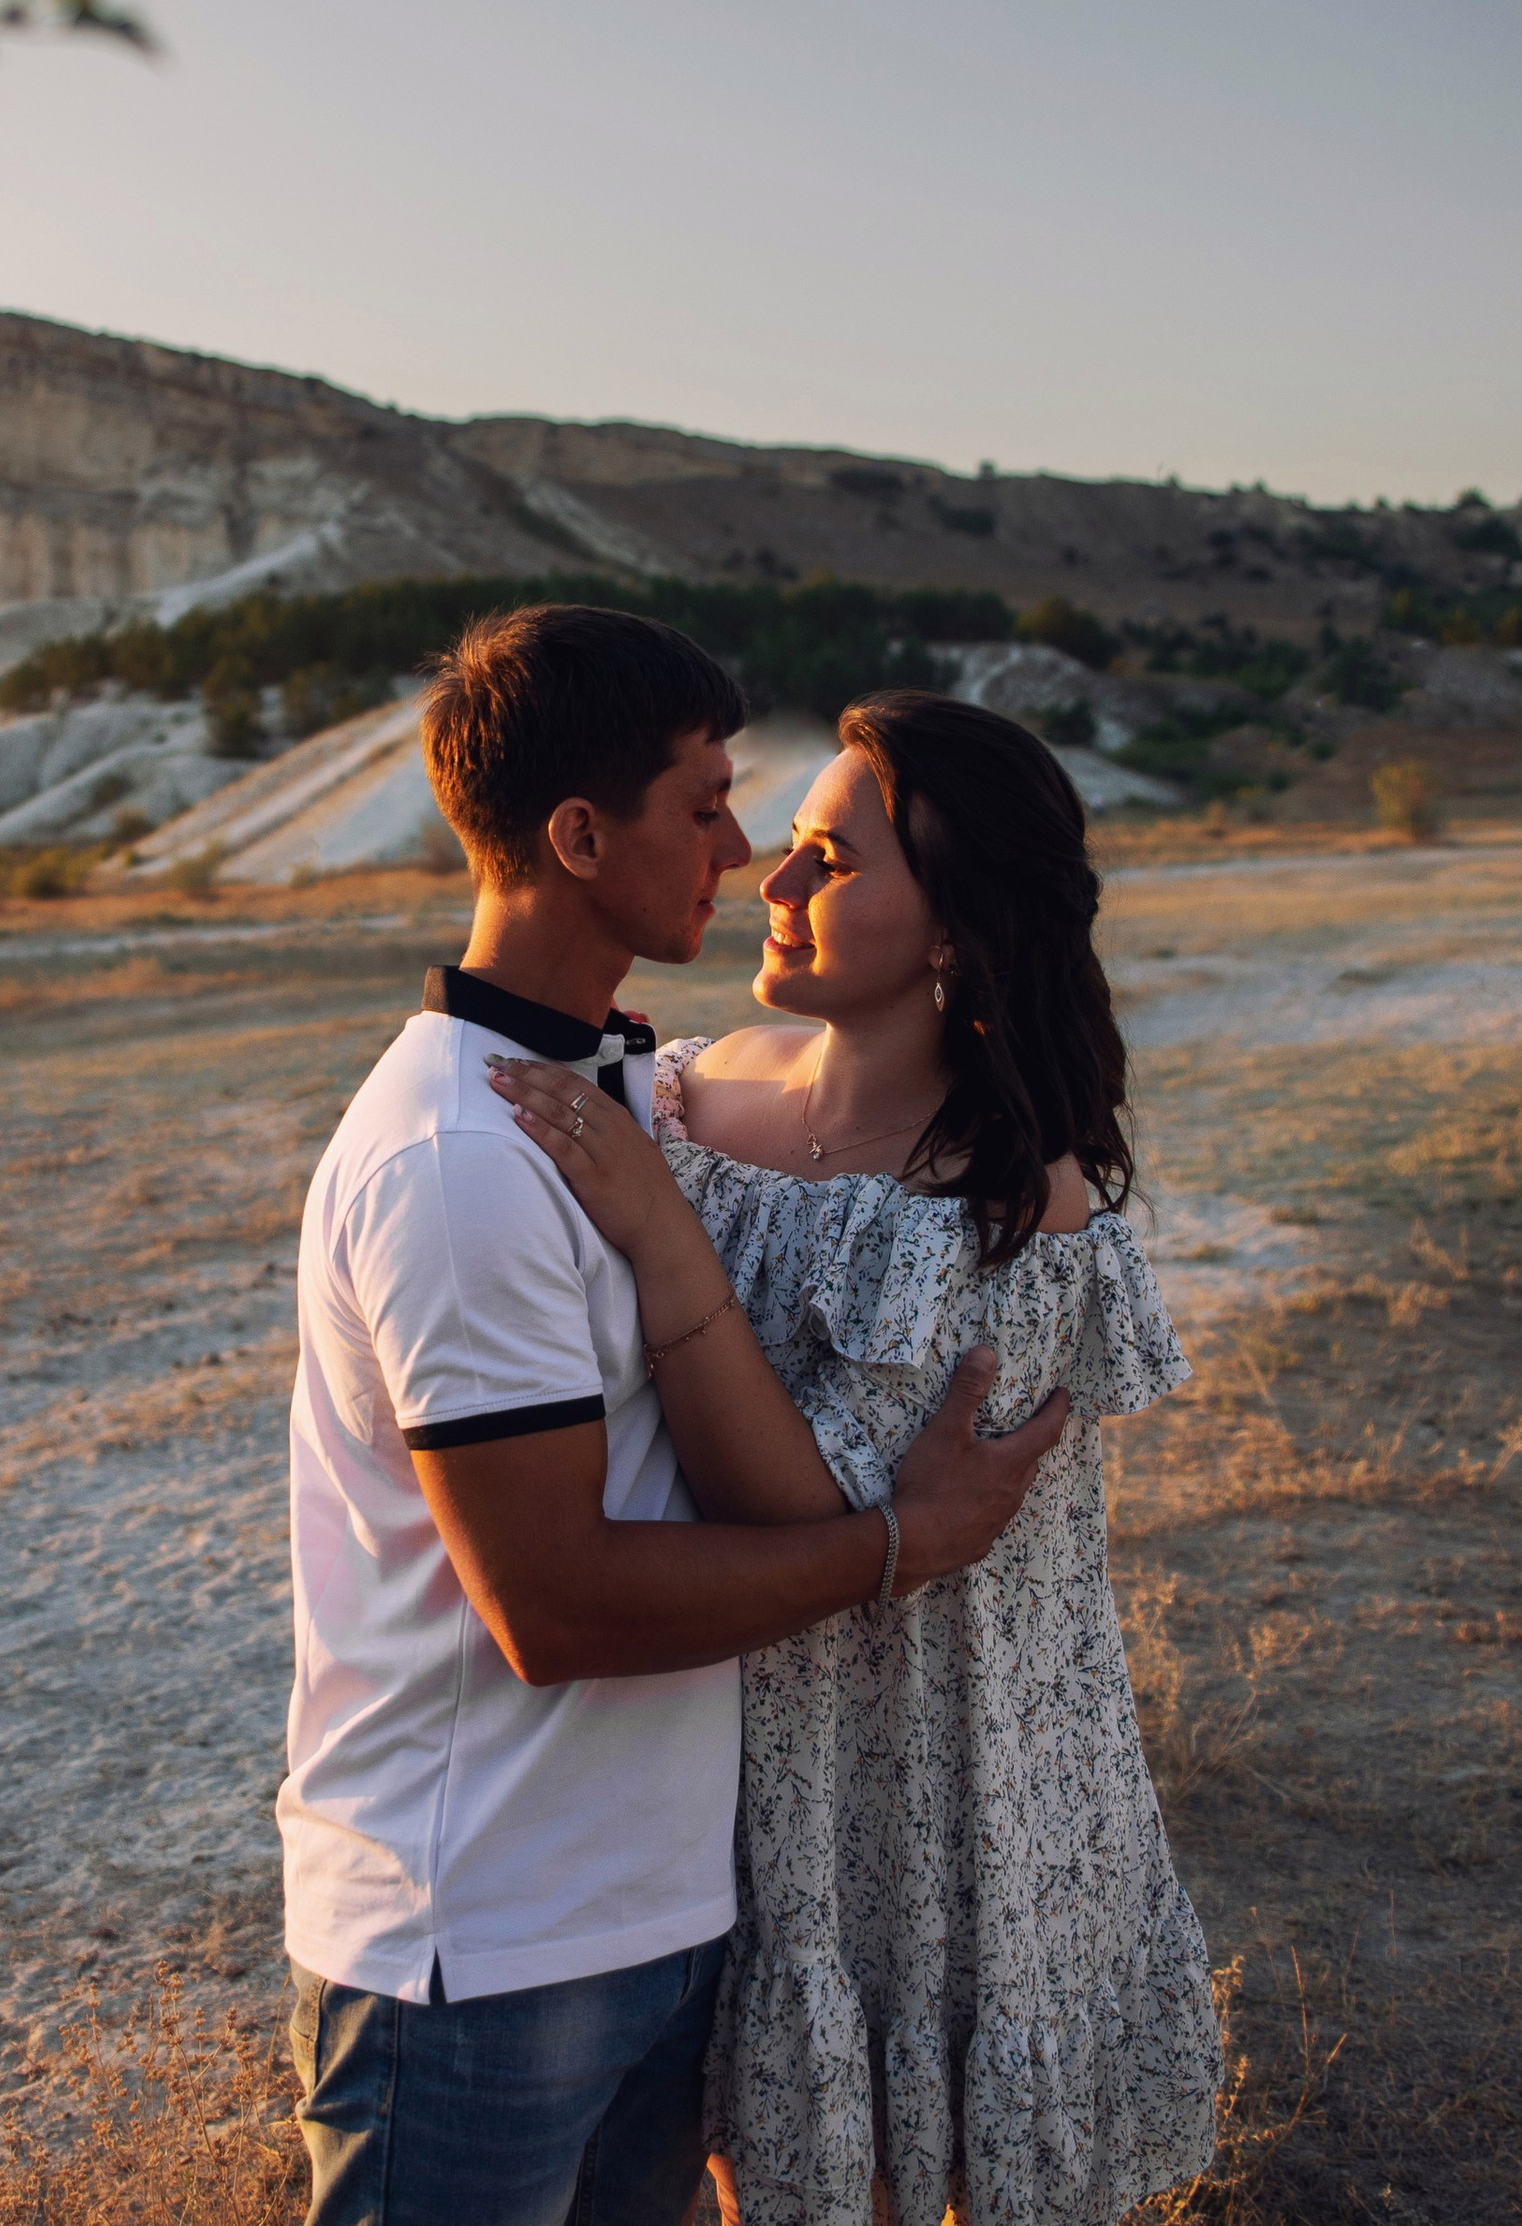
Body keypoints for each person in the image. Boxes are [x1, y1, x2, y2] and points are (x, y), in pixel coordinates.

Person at [281, 611, 1073, 2226]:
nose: (741, 849)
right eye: (707, 805)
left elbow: (875, 1120)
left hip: (662, 1924)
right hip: (478, 1948)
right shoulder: (465, 1162)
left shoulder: (626, 1092)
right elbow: (552, 1604)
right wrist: (899, 1547)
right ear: (580, 838)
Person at [487, 689, 1221, 2226]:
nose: (777, 881)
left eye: (832, 857)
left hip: (946, 1768)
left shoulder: (1016, 1197)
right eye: (790, 847)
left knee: (911, 2173)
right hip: (727, 1749)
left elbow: (808, 1508)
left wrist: (661, 1233)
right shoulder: (685, 1093)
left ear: (952, 929)